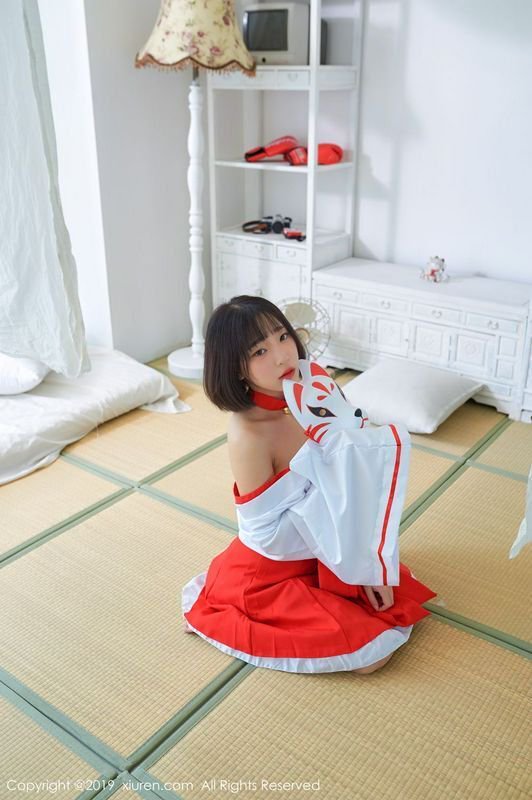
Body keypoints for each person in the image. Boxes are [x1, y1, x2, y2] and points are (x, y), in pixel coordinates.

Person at [181, 295, 437, 674]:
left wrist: (362, 563)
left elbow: (342, 476)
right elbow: (266, 534)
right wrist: (354, 565)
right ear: (235, 367)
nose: (282, 356)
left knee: (390, 609)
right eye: (260, 351)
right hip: (274, 566)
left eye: (283, 336)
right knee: (371, 654)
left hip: (320, 542)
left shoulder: (303, 397)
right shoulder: (249, 435)